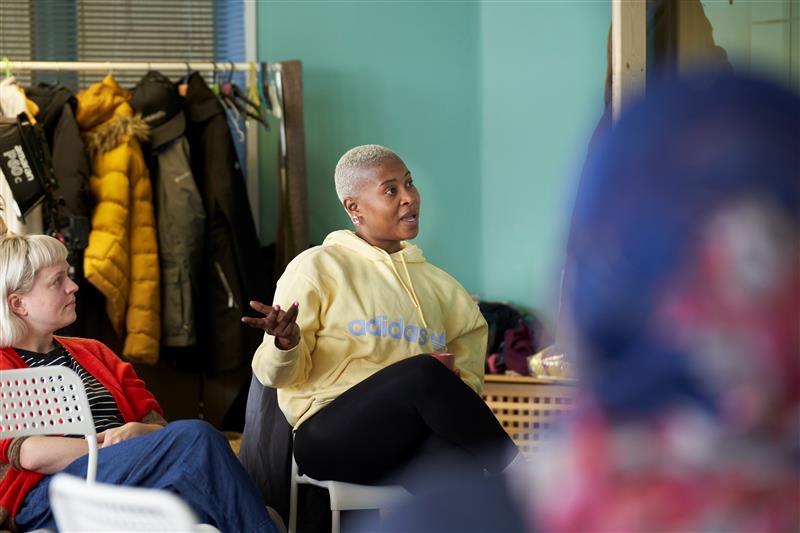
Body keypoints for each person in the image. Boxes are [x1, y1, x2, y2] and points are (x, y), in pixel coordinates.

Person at [243, 145, 518, 489]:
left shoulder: (444, 287)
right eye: (391, 190)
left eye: (409, 184)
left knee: (458, 462)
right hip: (327, 436)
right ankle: (522, 475)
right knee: (423, 372)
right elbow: (275, 376)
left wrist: (456, 385)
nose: (409, 198)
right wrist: (285, 344)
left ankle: (524, 505)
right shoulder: (316, 267)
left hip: (408, 436)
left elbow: (469, 383)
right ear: (353, 207)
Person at [0, 224, 277, 532]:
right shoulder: (3, 366)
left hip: (128, 479)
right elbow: (29, 453)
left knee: (206, 496)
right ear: (18, 303)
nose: (73, 286)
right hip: (53, 493)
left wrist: (140, 434)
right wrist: (119, 449)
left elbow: (159, 430)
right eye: (57, 281)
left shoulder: (95, 352)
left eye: (68, 275)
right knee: (199, 440)